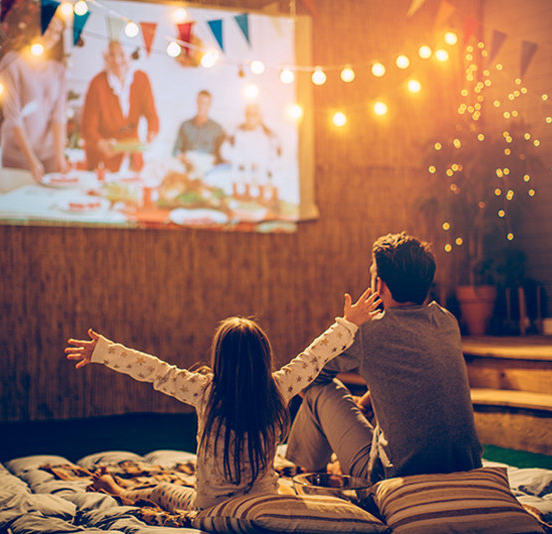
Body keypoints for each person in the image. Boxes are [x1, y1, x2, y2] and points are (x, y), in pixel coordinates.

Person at [64, 289, 381, 511]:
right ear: (263, 356)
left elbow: (156, 371)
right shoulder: (279, 387)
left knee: (162, 491)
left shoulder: (205, 391)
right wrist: (349, 323)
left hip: (210, 505)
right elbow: (314, 357)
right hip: (263, 500)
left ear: (220, 358)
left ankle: (120, 491)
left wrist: (104, 352)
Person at [286, 232, 484, 483]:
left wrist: (348, 324)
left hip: (394, 477)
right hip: (465, 466)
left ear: (379, 285)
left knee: (320, 390)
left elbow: (309, 376)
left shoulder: (370, 332)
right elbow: (418, 378)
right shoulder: (446, 320)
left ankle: (306, 473)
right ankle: (313, 468)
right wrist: (366, 402)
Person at [0, 11, 69, 181]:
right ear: (36, 28)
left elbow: (59, 115)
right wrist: (32, 161)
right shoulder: (12, 63)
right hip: (19, 156)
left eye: (58, 32)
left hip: (49, 155)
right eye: (49, 29)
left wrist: (59, 156)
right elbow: (13, 117)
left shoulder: (58, 69)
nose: (53, 36)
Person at [81, 40, 160, 173]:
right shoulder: (97, 84)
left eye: (122, 55)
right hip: (103, 160)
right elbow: (88, 128)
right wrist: (101, 144)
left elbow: (152, 115)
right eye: (111, 55)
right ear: (106, 58)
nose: (117, 61)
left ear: (130, 55)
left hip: (132, 159)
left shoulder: (142, 79)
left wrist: (151, 134)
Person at [224, 103, 282, 188]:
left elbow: (276, 160)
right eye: (248, 114)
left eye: (254, 115)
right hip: (239, 174)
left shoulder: (270, 136)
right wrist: (243, 163)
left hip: (262, 178)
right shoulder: (236, 132)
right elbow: (225, 152)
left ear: (261, 116)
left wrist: (262, 166)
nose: (251, 117)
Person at [172, 90, 226, 171]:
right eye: (200, 102)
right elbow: (176, 151)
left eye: (205, 104)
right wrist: (183, 158)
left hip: (206, 164)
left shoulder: (217, 128)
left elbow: (221, 155)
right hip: (186, 162)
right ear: (196, 103)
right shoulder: (185, 125)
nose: (202, 106)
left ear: (209, 105)